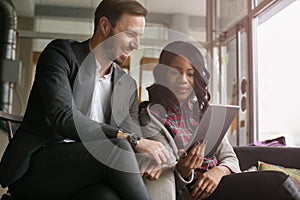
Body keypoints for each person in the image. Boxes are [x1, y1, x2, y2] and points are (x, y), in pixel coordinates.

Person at [0, 0, 170, 199]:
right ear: (104, 26)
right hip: (37, 169)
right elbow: (62, 117)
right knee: (118, 146)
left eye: (139, 37)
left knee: (106, 197)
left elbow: (133, 135)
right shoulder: (61, 55)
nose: (136, 44)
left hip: (87, 175)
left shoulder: (127, 85)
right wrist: (128, 139)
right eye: (130, 34)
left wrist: (150, 156)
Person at [139, 41, 241, 200]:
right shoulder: (151, 116)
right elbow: (166, 178)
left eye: (191, 74)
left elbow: (230, 157)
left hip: (222, 182)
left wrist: (219, 171)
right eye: (175, 72)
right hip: (195, 192)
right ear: (163, 74)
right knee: (276, 183)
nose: (183, 80)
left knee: (275, 182)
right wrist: (184, 170)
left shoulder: (205, 112)